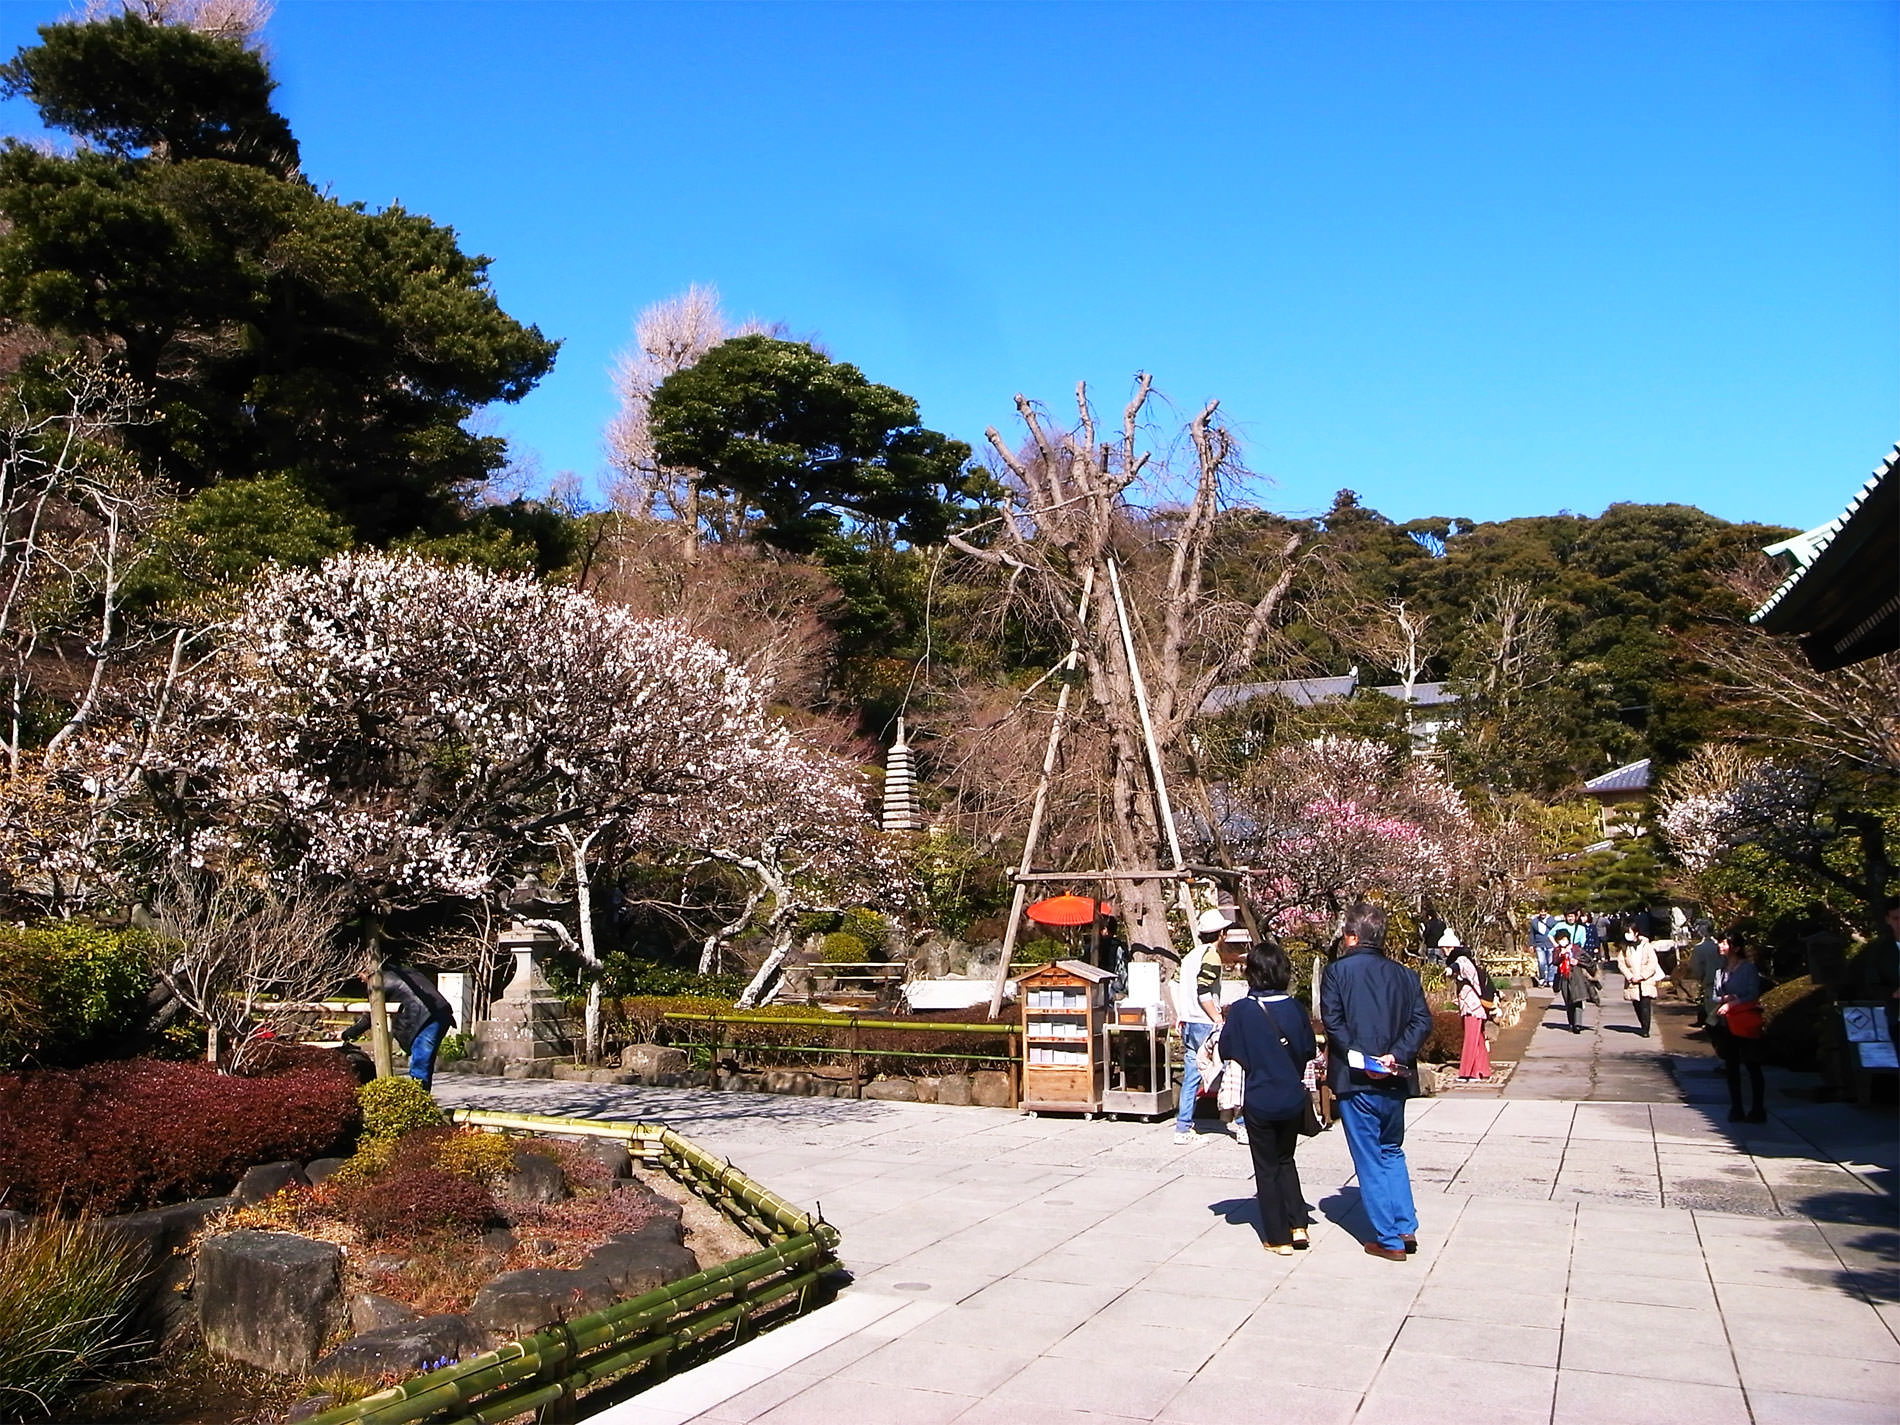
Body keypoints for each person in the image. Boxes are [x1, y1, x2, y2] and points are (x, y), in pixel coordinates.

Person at [1320, 902, 1433, 1262]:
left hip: (1357, 1080)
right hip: (1394, 1079)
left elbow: (1333, 1022)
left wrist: (1362, 1058)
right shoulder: (1406, 975)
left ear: (1352, 937)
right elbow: (1421, 1022)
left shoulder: (1337, 973)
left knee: (1369, 1157)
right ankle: (1405, 1223)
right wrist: (1395, 1055)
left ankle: (1389, 1237)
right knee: (1391, 1150)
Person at [1219, 940, 1318, 1255]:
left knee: (1266, 1167)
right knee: (1286, 1160)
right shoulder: (1294, 1008)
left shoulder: (1243, 1010)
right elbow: (1307, 1051)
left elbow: (1228, 1049)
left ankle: (1278, 1237)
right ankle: (1299, 1223)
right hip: (1291, 1097)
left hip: (1260, 1097)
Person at [344, 962, 455, 1090]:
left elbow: (369, 1017)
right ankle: (420, 1097)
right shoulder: (403, 971)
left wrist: (347, 1034)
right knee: (422, 1061)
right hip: (441, 1013)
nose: (360, 979)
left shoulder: (378, 982)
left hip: (425, 1018)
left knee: (420, 1062)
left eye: (360, 974)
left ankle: (419, 1100)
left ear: (367, 971)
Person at [1173, 906, 1232, 1145]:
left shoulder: (1189, 956)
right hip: (1205, 1022)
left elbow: (1173, 984)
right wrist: (1217, 1017)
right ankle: (1238, 1122)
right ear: (1221, 934)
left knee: (1191, 1075)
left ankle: (1183, 1126)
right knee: (1230, 1069)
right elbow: (1204, 990)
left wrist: (1180, 1013)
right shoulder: (1212, 956)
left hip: (1188, 1021)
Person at [1712, 932, 1766, 1123]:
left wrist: (1734, 1002)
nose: (1720, 946)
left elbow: (1753, 993)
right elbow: (1715, 995)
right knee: (1731, 1066)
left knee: (1752, 1065)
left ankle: (1758, 1108)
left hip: (1744, 1020)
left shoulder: (1748, 968)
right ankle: (1736, 1107)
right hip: (1727, 1022)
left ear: (1735, 947)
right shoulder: (1721, 970)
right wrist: (1724, 999)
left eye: (1724, 943)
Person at [1442, 930, 1492, 1080]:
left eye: (1444, 947)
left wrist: (1449, 970)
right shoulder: (1467, 959)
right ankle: (1482, 1070)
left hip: (1472, 1007)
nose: (1443, 951)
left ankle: (1467, 1071)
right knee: (1478, 1039)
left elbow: (1457, 967)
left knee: (1471, 1038)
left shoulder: (1462, 959)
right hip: (1474, 1006)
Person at [1617, 927, 1664, 1039]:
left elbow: (1653, 962)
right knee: (1637, 1004)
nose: (1627, 935)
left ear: (1636, 933)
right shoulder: (1624, 948)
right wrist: (1630, 976)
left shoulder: (1646, 946)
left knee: (1645, 1004)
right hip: (1632, 980)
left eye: (1629, 932)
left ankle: (1645, 1028)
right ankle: (1642, 1022)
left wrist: (1643, 976)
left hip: (1646, 980)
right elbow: (1621, 964)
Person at [1686, 922, 1723, 1029]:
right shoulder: (1720, 946)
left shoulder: (1700, 948)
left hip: (1710, 982)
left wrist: (1699, 977)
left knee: (1713, 1015)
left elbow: (1695, 968)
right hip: (1726, 983)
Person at [1554, 929, 1590, 1034]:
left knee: (1578, 999)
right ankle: (1571, 1022)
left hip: (1576, 976)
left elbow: (1588, 960)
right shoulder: (1557, 950)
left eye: (1564, 939)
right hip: (1564, 977)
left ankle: (1578, 1024)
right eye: (1560, 940)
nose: (1562, 941)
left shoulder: (1576, 949)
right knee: (1569, 1001)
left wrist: (1577, 961)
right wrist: (1561, 955)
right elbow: (1554, 961)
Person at [1530, 906, 1556, 989]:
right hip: (1539, 944)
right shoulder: (1534, 921)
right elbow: (1532, 934)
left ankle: (1550, 979)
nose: (1543, 913)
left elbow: (1555, 930)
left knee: (1551, 963)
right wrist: (1531, 944)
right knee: (1541, 962)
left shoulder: (1552, 920)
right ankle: (1542, 978)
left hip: (1550, 944)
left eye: (1544, 912)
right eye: (1541, 911)